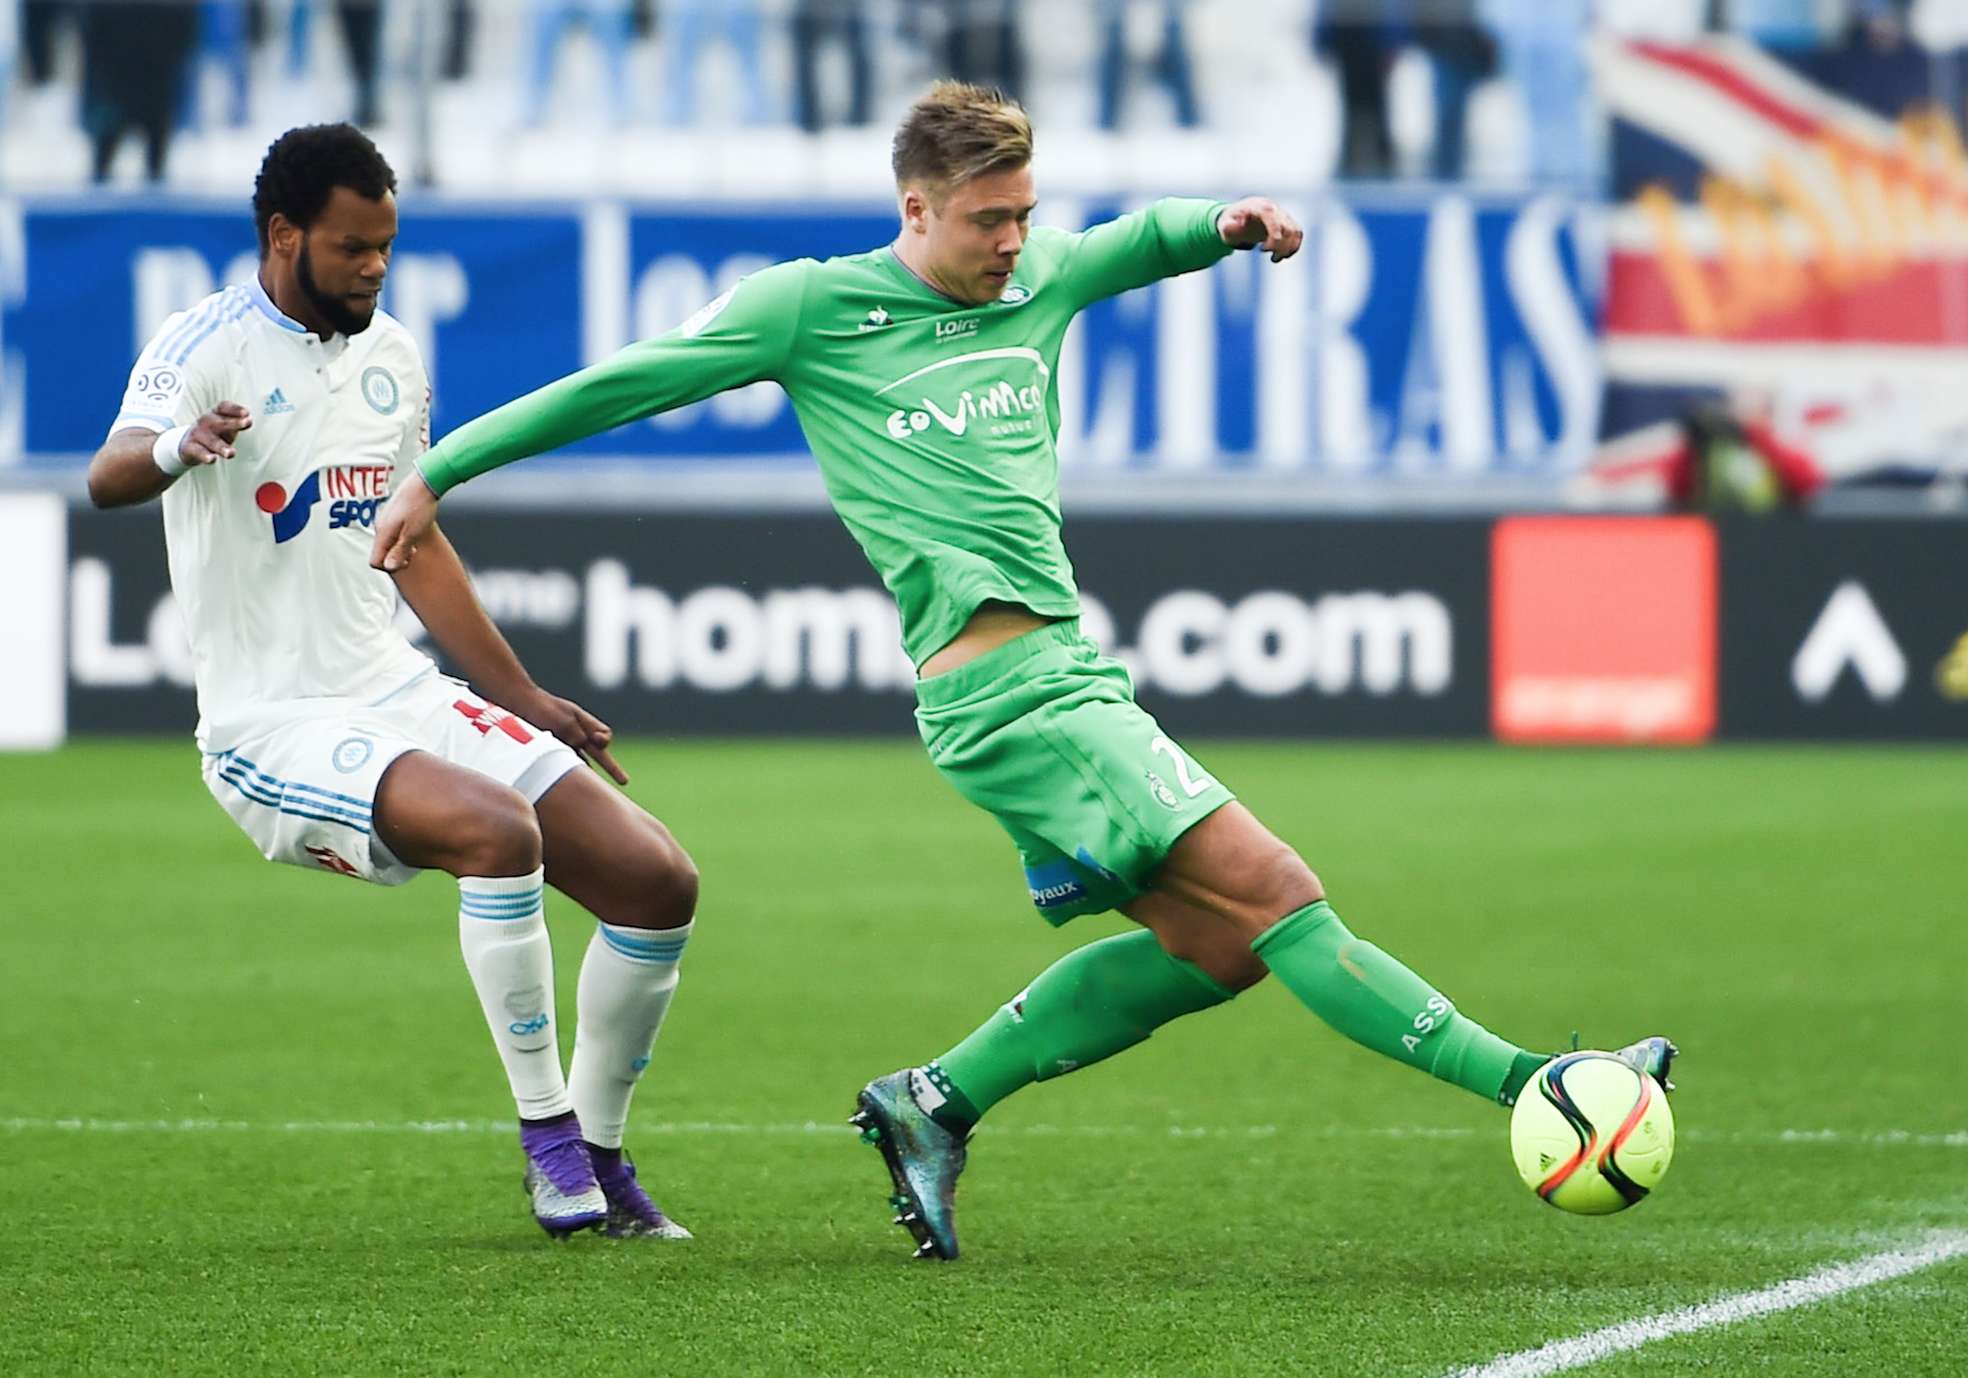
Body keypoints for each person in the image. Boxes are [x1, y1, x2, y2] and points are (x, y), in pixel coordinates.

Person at [367, 82, 1676, 1261]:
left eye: (1024, 214)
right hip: (1008, 695)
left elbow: (1135, 244)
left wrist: (1231, 219)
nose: (1013, 242)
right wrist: (438, 470)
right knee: (1282, 894)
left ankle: (935, 1100)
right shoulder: (812, 312)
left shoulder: (1036, 277)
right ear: (917, 205)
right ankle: (1545, 1087)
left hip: (1064, 674)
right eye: (988, 218)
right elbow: (614, 388)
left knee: (1218, 942)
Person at [87, 124, 699, 1242]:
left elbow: (409, 541)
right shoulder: (204, 343)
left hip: (392, 688)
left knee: (658, 879)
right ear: (285, 235)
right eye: (354, 246)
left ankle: (605, 1164)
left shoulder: (396, 356)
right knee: (496, 830)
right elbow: (108, 473)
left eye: (388, 246)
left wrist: (523, 697)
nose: (376, 267)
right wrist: (181, 445)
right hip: (271, 727)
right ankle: (547, 1137)